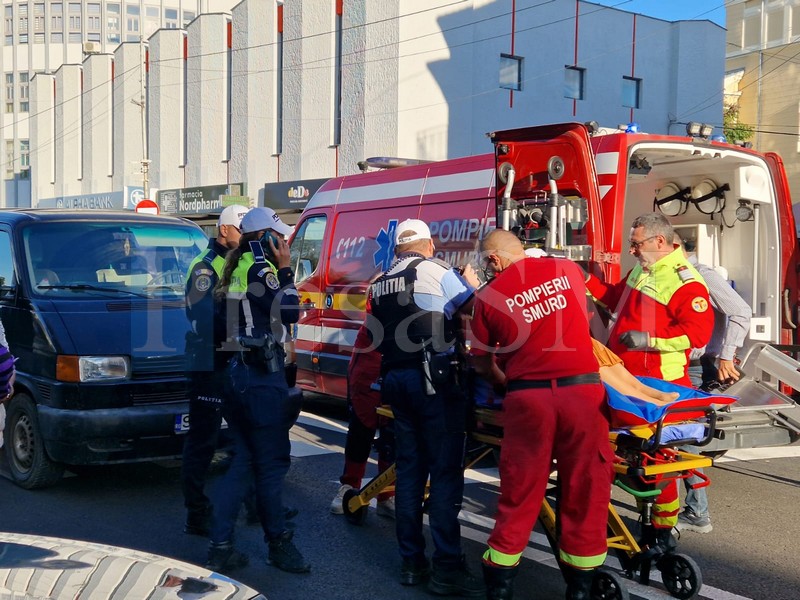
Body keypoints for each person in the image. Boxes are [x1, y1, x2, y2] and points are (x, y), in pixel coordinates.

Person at [471, 229, 614, 600]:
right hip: (582, 394)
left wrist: (506, 381)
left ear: (493, 259)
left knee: (520, 491)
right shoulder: (565, 269)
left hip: (528, 399)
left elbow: (481, 364)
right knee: (585, 486)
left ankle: (500, 585)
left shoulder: (487, 297)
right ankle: (580, 588)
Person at [585, 212, 714, 558]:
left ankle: (661, 532)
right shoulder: (643, 270)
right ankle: (635, 524)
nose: (631, 250)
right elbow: (614, 298)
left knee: (658, 466)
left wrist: (650, 340)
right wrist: (585, 279)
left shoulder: (686, 282)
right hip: (628, 380)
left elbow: (698, 335)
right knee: (629, 458)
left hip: (661, 385)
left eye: (636, 243)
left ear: (659, 241)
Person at [369, 218, 484, 597]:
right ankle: (447, 568)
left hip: (396, 380)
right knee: (445, 472)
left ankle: (411, 563)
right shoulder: (433, 270)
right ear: (428, 244)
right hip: (434, 382)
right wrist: (469, 282)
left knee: (410, 471)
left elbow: (376, 334)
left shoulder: (379, 282)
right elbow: (474, 308)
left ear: (397, 248)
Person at [205, 207, 310, 574]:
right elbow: (290, 310)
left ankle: (220, 545)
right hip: (260, 378)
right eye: (279, 235)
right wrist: (286, 270)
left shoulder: (234, 266)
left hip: (236, 374)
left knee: (243, 463)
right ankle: (278, 544)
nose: (284, 241)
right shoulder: (260, 269)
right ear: (264, 237)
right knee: (270, 465)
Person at [674, 234, 752, 534]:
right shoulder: (672, 276)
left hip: (696, 367)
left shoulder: (702, 275)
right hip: (679, 364)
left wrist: (727, 356)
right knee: (676, 437)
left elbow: (740, 311)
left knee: (682, 437)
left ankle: (697, 512)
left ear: (673, 247)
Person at [181, 205, 249, 537]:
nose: (245, 236)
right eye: (240, 230)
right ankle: (197, 513)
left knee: (246, 435)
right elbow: (204, 317)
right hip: (209, 360)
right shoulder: (205, 266)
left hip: (238, 360)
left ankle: (253, 502)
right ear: (224, 230)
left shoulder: (244, 260)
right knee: (203, 441)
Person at [330, 307, 396, 518]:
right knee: (361, 429)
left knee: (392, 433)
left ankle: (387, 494)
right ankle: (349, 486)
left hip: (398, 359)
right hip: (371, 360)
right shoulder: (385, 290)